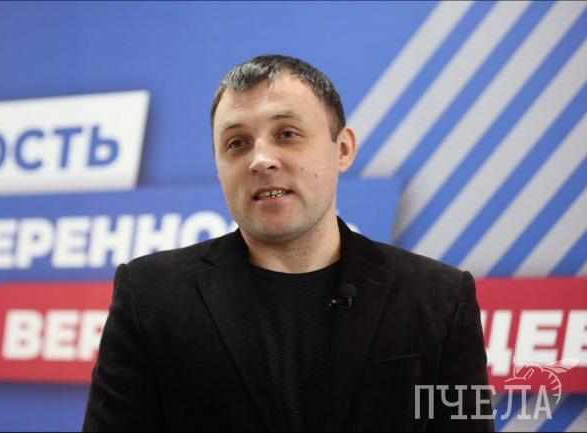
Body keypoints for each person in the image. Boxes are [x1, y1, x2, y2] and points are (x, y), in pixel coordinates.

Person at [83, 54, 493, 432]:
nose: (260, 160)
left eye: (287, 134)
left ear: (343, 149)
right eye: (237, 143)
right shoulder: (149, 296)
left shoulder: (440, 298)